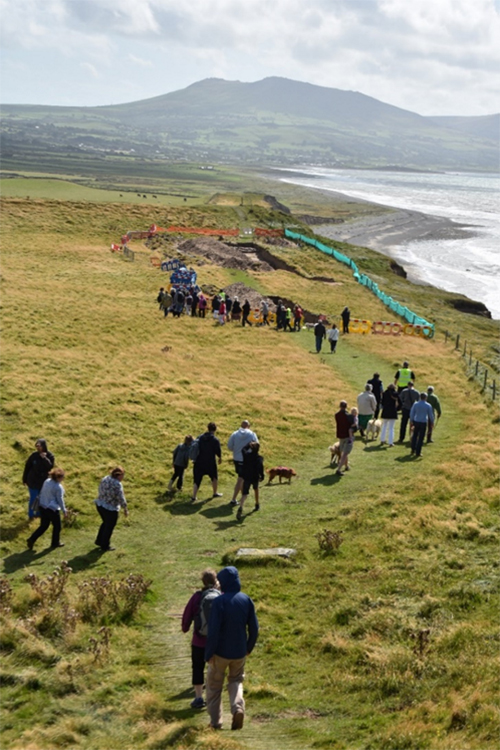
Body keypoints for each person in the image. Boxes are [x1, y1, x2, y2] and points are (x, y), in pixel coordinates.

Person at [205, 566, 259, 731]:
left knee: (214, 687)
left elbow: (213, 631)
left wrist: (209, 653)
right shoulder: (246, 599)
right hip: (239, 652)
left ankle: (216, 722)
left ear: (223, 582)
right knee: (236, 681)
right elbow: (254, 628)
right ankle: (238, 708)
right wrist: (248, 647)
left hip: (220, 653)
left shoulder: (219, 601)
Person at [182, 569, 221, 709]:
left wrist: (185, 628)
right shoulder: (220, 596)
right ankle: (214, 698)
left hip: (198, 640)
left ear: (202, 581)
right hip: (217, 642)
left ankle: (198, 698)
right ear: (216, 580)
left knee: (198, 668)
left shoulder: (196, 597)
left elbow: (187, 616)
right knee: (215, 669)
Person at [27, 467, 67, 550]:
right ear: (58, 477)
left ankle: (32, 539)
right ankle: (55, 543)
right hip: (52, 508)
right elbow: (60, 499)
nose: (63, 478)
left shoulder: (47, 481)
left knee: (44, 526)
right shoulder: (58, 487)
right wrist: (64, 510)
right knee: (57, 526)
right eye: (62, 477)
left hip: (42, 506)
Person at [94, 466, 129, 552]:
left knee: (105, 523)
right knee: (109, 526)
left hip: (100, 504)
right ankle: (105, 545)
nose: (123, 478)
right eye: (123, 475)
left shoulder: (105, 478)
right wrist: (125, 508)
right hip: (110, 508)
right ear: (119, 475)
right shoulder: (117, 484)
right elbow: (121, 497)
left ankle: (99, 540)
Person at [227, 421, 258, 506]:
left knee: (241, 477)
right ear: (249, 426)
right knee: (241, 479)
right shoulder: (252, 434)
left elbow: (229, 446)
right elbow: (256, 445)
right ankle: (236, 498)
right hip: (247, 460)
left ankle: (240, 497)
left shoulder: (235, 434)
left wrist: (236, 450)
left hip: (237, 459)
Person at [23, 439, 55, 519]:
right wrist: (24, 479)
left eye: (39, 446)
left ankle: (38, 513)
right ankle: (31, 514)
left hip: (43, 482)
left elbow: (50, 467)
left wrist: (44, 458)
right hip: (32, 481)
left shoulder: (50, 455)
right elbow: (27, 467)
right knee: (33, 498)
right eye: (36, 446)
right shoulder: (34, 456)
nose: (38, 448)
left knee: (41, 498)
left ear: (43, 446)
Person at [192, 423, 222, 503]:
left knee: (197, 480)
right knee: (214, 477)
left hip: (199, 461)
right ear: (215, 430)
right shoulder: (215, 440)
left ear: (208, 428)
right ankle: (215, 493)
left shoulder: (200, 438)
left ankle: (194, 496)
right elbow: (218, 450)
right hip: (210, 462)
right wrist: (219, 457)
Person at [236, 442, 264, 519]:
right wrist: (262, 476)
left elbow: (243, 449)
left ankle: (241, 506)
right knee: (256, 489)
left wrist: (248, 444)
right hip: (255, 477)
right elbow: (261, 468)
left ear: (251, 448)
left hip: (247, 476)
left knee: (244, 494)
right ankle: (257, 503)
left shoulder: (247, 456)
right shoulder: (259, 458)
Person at [410, 392, 435, 458]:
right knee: (421, 438)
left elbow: (412, 412)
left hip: (416, 421)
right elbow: (430, 415)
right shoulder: (428, 405)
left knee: (415, 436)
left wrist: (411, 420)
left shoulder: (415, 404)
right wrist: (432, 422)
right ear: (426, 398)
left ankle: (413, 449)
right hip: (423, 422)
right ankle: (418, 452)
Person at [334, 400, 355, 475]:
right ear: (346, 406)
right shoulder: (349, 416)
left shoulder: (336, 415)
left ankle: (346, 466)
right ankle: (339, 469)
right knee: (345, 453)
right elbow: (353, 426)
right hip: (348, 436)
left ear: (340, 406)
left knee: (344, 451)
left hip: (340, 435)